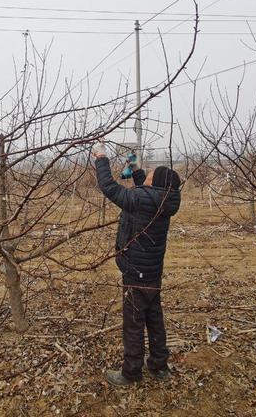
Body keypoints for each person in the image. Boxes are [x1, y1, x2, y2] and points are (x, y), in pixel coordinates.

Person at [93, 143, 181, 386]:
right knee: (154, 318)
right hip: (152, 273)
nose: (147, 175)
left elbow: (109, 188)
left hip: (135, 272)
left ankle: (131, 372)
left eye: (151, 175)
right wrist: (137, 170)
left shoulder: (142, 200)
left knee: (133, 324)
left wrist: (101, 159)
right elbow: (145, 189)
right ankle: (159, 366)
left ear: (158, 184)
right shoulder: (164, 200)